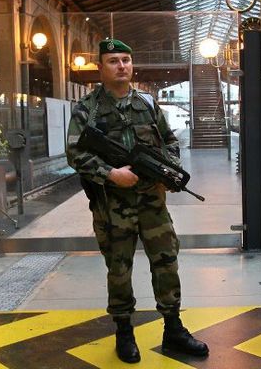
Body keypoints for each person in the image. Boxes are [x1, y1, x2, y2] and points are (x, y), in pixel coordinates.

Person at [66, 39, 208, 364]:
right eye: (113, 60)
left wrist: (167, 170)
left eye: (126, 60)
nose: (121, 66)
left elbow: (170, 140)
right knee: (119, 268)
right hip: (112, 205)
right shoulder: (86, 109)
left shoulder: (147, 103)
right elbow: (75, 153)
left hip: (152, 203)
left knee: (166, 262)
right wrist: (110, 173)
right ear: (100, 67)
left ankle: (173, 329)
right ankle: (124, 331)